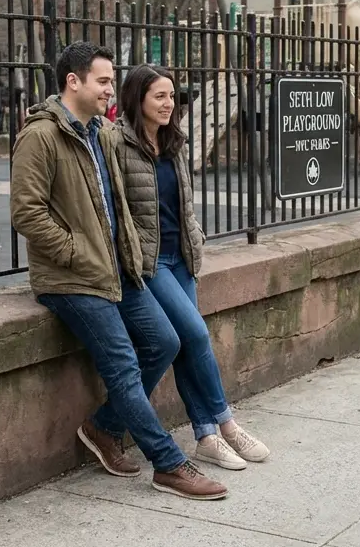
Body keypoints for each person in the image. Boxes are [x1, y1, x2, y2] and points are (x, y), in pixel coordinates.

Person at [10, 41, 227, 501]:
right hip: (71, 278)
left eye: (112, 81)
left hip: (114, 269)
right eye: (104, 81)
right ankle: (168, 464)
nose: (112, 89)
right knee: (125, 366)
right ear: (74, 81)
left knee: (166, 341)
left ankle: (103, 428)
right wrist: (75, 251)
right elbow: (27, 213)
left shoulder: (101, 135)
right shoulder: (41, 136)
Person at [103, 64, 270, 470]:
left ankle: (206, 436)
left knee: (189, 345)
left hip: (182, 256)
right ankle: (227, 423)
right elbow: (116, 207)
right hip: (150, 259)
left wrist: (195, 238)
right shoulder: (116, 142)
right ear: (137, 97)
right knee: (194, 334)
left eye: (172, 96)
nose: (169, 103)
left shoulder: (175, 141)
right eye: (159, 96)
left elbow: (185, 204)